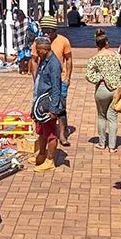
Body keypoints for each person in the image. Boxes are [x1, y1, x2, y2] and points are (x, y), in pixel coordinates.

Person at [31, 15, 73, 147]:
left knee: (60, 108)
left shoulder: (63, 41)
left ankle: (62, 134)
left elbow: (69, 59)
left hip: (60, 79)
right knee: (43, 108)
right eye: (44, 30)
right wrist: (36, 78)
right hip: (44, 82)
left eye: (49, 31)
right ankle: (46, 135)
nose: (46, 33)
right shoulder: (38, 42)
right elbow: (33, 61)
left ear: (55, 30)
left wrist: (67, 78)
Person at [84, 29, 121, 152]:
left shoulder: (95, 58)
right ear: (107, 42)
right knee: (113, 117)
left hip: (102, 89)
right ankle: (112, 146)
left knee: (101, 116)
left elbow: (89, 75)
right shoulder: (116, 55)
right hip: (116, 89)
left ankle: (102, 143)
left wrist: (100, 78)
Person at [32, 36, 62, 172]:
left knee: (50, 133)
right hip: (40, 102)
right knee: (41, 131)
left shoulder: (54, 65)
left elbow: (56, 88)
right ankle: (42, 154)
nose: (37, 53)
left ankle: (50, 160)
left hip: (49, 103)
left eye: (38, 50)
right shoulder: (44, 60)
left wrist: (54, 109)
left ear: (45, 49)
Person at [12, 9, 33, 74]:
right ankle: (29, 71)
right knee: (28, 57)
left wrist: (14, 44)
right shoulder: (28, 20)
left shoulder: (16, 23)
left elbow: (14, 34)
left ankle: (23, 70)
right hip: (26, 41)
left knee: (22, 57)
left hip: (21, 41)